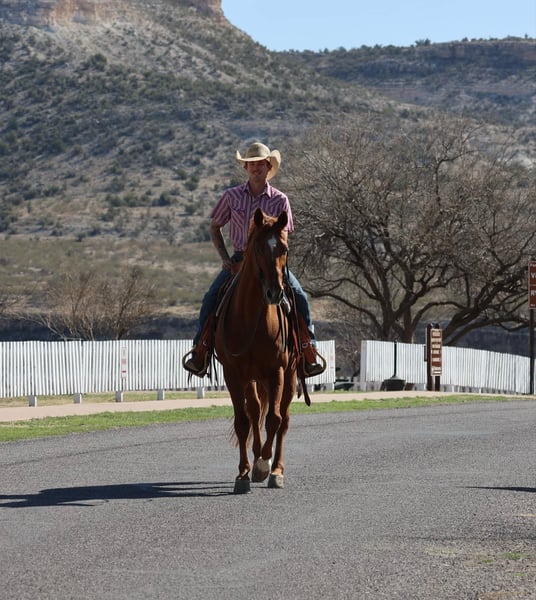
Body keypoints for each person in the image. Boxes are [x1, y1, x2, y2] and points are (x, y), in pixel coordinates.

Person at [183, 141, 325, 378]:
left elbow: (284, 236)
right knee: (211, 297)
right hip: (239, 260)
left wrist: (277, 261)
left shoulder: (280, 200)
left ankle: (308, 349)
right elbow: (215, 226)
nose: (256, 168)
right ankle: (201, 351)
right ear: (245, 168)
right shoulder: (231, 197)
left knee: (299, 296)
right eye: (251, 164)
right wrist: (225, 259)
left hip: (270, 262)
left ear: (269, 167)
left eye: (260, 164)